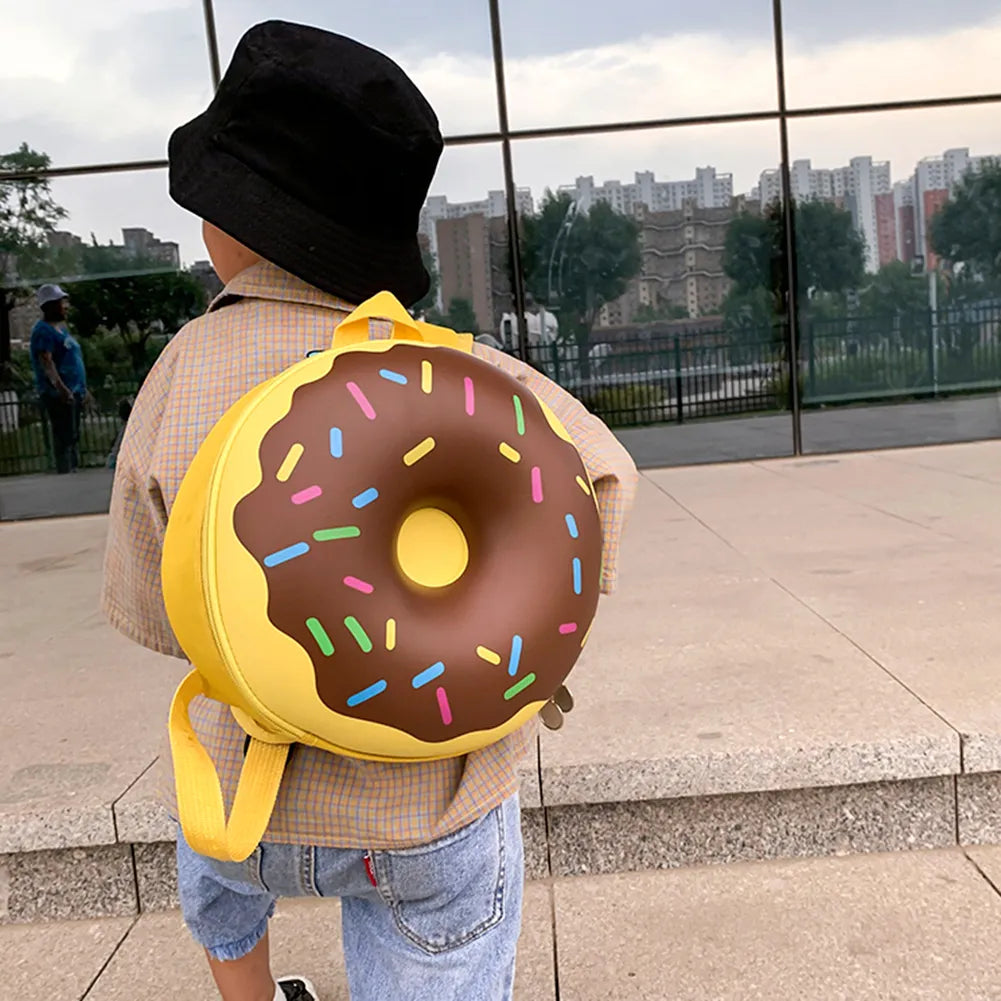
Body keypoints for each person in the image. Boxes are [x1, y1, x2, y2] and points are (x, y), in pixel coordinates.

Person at [102, 21, 637, 1001]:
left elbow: (153, 610)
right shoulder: (448, 368)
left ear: (232, 224)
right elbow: (602, 470)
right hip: (424, 807)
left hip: (246, 812)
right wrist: (512, 614)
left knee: (208, 847)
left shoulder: (184, 369)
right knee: (443, 931)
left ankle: (247, 989)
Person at [30, 283, 89, 473]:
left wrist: (83, 388)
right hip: (60, 394)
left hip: (74, 390)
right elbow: (47, 362)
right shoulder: (43, 331)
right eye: (61, 302)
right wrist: (61, 388)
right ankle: (66, 470)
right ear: (49, 306)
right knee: (64, 434)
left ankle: (72, 468)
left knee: (72, 434)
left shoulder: (61, 330)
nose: (65, 306)